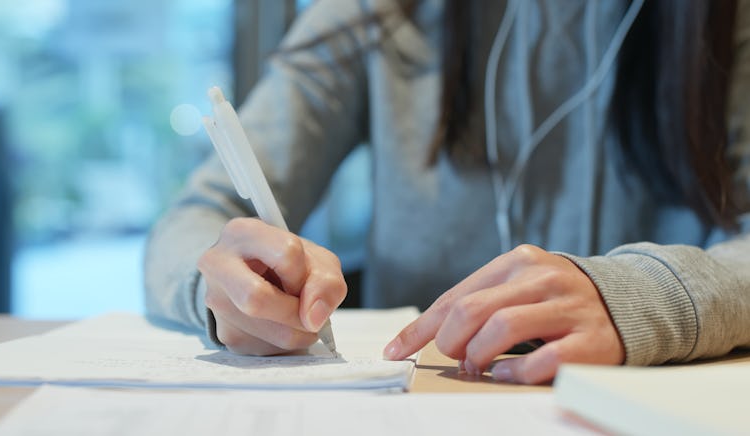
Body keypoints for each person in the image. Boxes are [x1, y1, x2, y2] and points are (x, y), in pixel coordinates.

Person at [144, 0, 750, 384]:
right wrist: (226, 289)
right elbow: (196, 219)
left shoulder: (725, 22)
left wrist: (645, 300)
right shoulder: (379, 12)